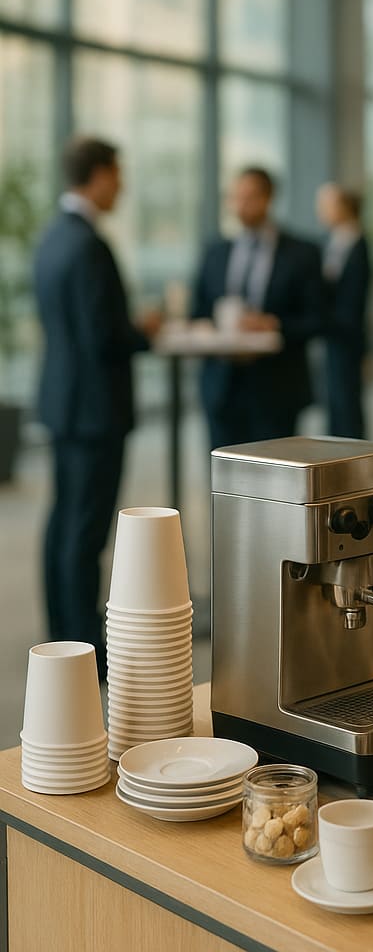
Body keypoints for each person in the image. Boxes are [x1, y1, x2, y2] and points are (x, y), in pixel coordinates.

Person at [34, 136, 162, 677]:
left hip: (64, 400)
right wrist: (145, 331)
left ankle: (63, 634)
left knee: (64, 520)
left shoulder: (51, 237)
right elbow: (104, 336)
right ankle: (85, 646)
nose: (123, 185)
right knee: (85, 531)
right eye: (118, 173)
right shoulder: (88, 244)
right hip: (94, 409)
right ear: (100, 175)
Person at [191, 167, 322, 451]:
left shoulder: (302, 254)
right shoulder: (215, 252)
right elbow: (198, 311)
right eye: (235, 198)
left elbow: (318, 319)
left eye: (249, 197)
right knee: (223, 481)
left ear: (268, 198)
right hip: (222, 386)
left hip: (276, 386)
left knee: (274, 481)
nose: (240, 206)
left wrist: (273, 325)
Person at [316, 183, 372, 439]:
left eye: (326, 205)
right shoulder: (334, 242)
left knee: (348, 400)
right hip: (334, 333)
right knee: (335, 401)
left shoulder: (357, 244)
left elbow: (353, 298)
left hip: (347, 334)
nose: (321, 211)